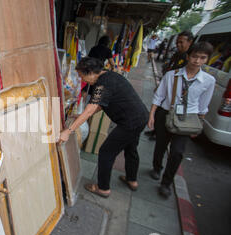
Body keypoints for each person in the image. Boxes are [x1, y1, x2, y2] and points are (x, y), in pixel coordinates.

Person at [59, 57, 149, 198]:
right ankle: (132, 180)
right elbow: (101, 104)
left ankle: (103, 188)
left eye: (82, 76)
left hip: (129, 123)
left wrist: (68, 131)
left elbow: (91, 108)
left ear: (90, 72)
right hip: (141, 116)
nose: (83, 80)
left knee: (106, 152)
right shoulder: (109, 75)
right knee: (131, 148)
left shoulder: (102, 85)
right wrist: (81, 116)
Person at [148, 42, 215, 198]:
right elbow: (159, 96)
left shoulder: (208, 81)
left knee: (177, 152)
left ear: (207, 59)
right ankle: (156, 168)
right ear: (188, 56)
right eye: (194, 56)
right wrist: (151, 115)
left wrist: (199, 125)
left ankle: (166, 183)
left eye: (202, 58)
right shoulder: (172, 75)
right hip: (165, 113)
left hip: (187, 119)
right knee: (160, 145)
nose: (197, 61)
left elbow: (204, 105)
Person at [145, 30, 194, 140]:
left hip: (175, 91)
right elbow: (169, 69)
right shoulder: (177, 54)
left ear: (189, 42)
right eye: (177, 42)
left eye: (181, 42)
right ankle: (155, 130)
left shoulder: (188, 58)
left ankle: (160, 133)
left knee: (168, 114)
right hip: (167, 86)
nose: (178, 45)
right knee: (159, 110)